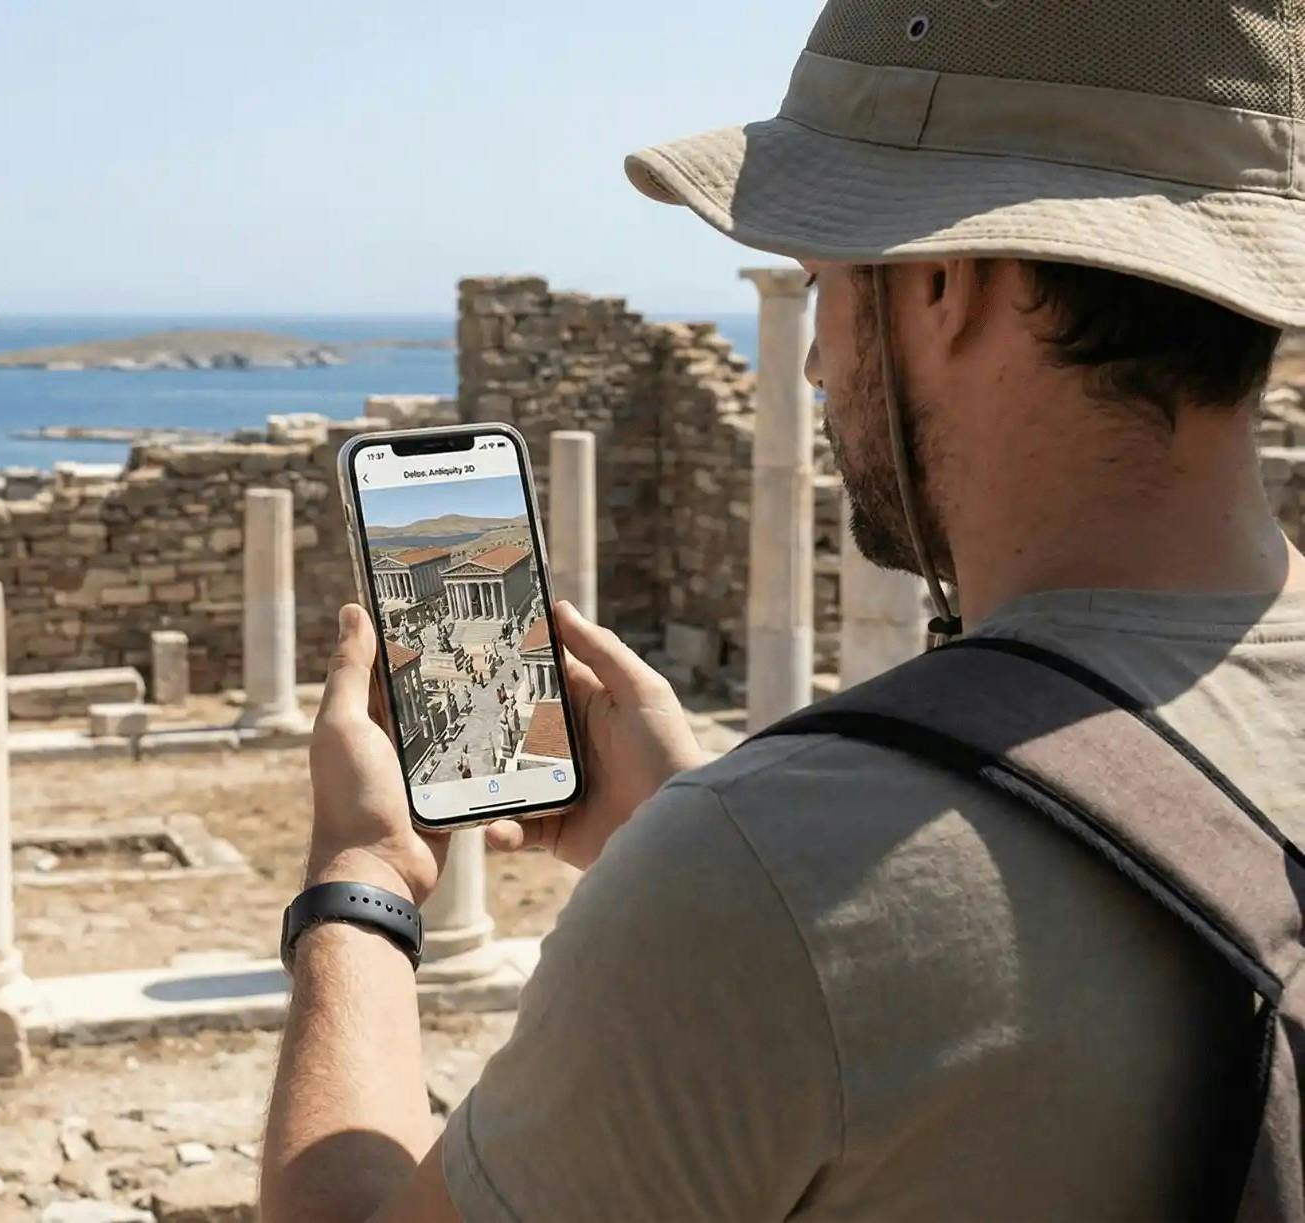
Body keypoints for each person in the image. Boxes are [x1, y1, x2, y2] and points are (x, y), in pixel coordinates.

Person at [261, 3, 1305, 1219]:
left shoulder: (763, 892)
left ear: (943, 283)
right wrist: (702, 840)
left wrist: (359, 885)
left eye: (819, 280)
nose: (809, 361)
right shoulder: (770, 881)